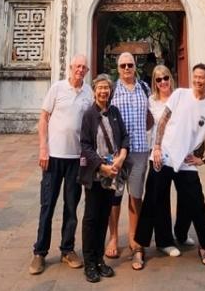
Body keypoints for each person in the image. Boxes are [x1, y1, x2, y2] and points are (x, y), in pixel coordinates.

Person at [144, 63, 205, 266]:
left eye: (202, 78)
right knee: (154, 200)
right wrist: (156, 147)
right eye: (195, 76)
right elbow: (162, 121)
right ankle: (142, 245)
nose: (198, 80)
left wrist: (203, 158)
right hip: (165, 156)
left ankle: (201, 244)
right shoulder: (180, 94)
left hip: (187, 161)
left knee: (196, 202)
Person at [30, 55, 91, 275]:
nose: (80, 70)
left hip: (76, 158)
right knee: (47, 205)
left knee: (71, 206)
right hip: (53, 157)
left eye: (84, 67)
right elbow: (44, 117)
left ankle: (67, 249)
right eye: (77, 66)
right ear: (70, 68)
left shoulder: (88, 93)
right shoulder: (57, 88)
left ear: (87, 70)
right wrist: (43, 148)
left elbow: (92, 123)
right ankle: (40, 252)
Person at [126, 65, 181, 270]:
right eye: (158, 79)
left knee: (190, 195)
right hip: (157, 156)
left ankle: (181, 234)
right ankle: (154, 242)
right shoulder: (150, 101)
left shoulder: (179, 98)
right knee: (156, 198)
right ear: (154, 83)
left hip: (179, 155)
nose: (163, 82)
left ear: (171, 78)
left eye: (166, 77)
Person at [79, 74, 129, 283]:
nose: (103, 92)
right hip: (96, 174)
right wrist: (102, 166)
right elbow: (85, 145)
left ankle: (100, 259)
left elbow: (124, 137)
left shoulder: (115, 112)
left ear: (110, 91)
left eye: (106, 88)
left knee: (104, 216)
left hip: (113, 174)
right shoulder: (89, 115)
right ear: (94, 91)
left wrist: (122, 156)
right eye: (100, 88)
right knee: (91, 217)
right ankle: (89, 262)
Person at [104, 52, 152, 260]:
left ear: (135, 66)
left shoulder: (145, 88)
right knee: (114, 196)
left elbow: (152, 116)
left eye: (130, 65)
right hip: (116, 152)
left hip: (140, 149)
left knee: (136, 195)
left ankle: (134, 236)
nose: (126, 69)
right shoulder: (112, 90)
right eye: (122, 65)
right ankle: (113, 237)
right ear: (118, 68)